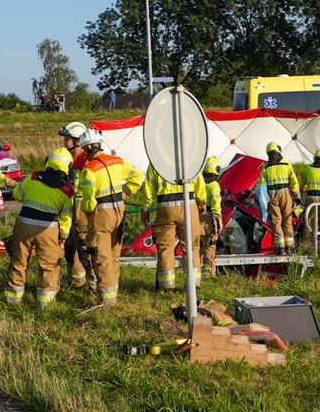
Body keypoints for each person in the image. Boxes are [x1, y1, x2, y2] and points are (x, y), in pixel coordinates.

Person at [75, 128, 144, 305]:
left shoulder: (88, 171)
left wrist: (88, 211)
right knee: (114, 254)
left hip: (101, 214)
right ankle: (114, 292)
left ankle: (107, 302)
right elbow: (137, 177)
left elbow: (89, 201)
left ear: (86, 149)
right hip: (120, 210)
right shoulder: (117, 161)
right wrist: (125, 195)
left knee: (101, 256)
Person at [4, 148, 75, 308]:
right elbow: (66, 217)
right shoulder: (67, 191)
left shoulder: (33, 177)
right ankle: (45, 303)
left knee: (19, 260)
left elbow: (18, 195)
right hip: (48, 229)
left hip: (24, 224)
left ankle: (13, 300)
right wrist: (63, 237)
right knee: (49, 265)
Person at [142, 161, 206, 291]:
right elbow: (199, 182)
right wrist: (202, 202)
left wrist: (145, 209)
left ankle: (166, 286)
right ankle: (193, 285)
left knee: (165, 247)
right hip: (189, 204)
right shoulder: (189, 158)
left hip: (165, 207)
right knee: (191, 245)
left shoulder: (156, 160)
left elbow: (148, 187)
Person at [57, 121, 91, 290]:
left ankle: (87, 285)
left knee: (83, 251)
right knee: (69, 250)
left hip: (82, 214)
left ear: (77, 141)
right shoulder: (68, 160)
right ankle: (75, 280)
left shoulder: (86, 161)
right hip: (68, 213)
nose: (64, 142)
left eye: (67, 139)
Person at [262, 142, 300, 254]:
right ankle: (290, 247)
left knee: (276, 221)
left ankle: (280, 248)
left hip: (273, 195)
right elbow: (294, 181)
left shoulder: (266, 167)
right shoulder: (286, 164)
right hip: (285, 194)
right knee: (287, 219)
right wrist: (297, 196)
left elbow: (261, 182)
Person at [199, 157, 223, 278]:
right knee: (210, 243)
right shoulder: (214, 185)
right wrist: (218, 219)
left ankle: (197, 269)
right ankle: (208, 272)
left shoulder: (200, 183)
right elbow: (215, 202)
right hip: (210, 217)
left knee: (199, 243)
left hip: (199, 216)